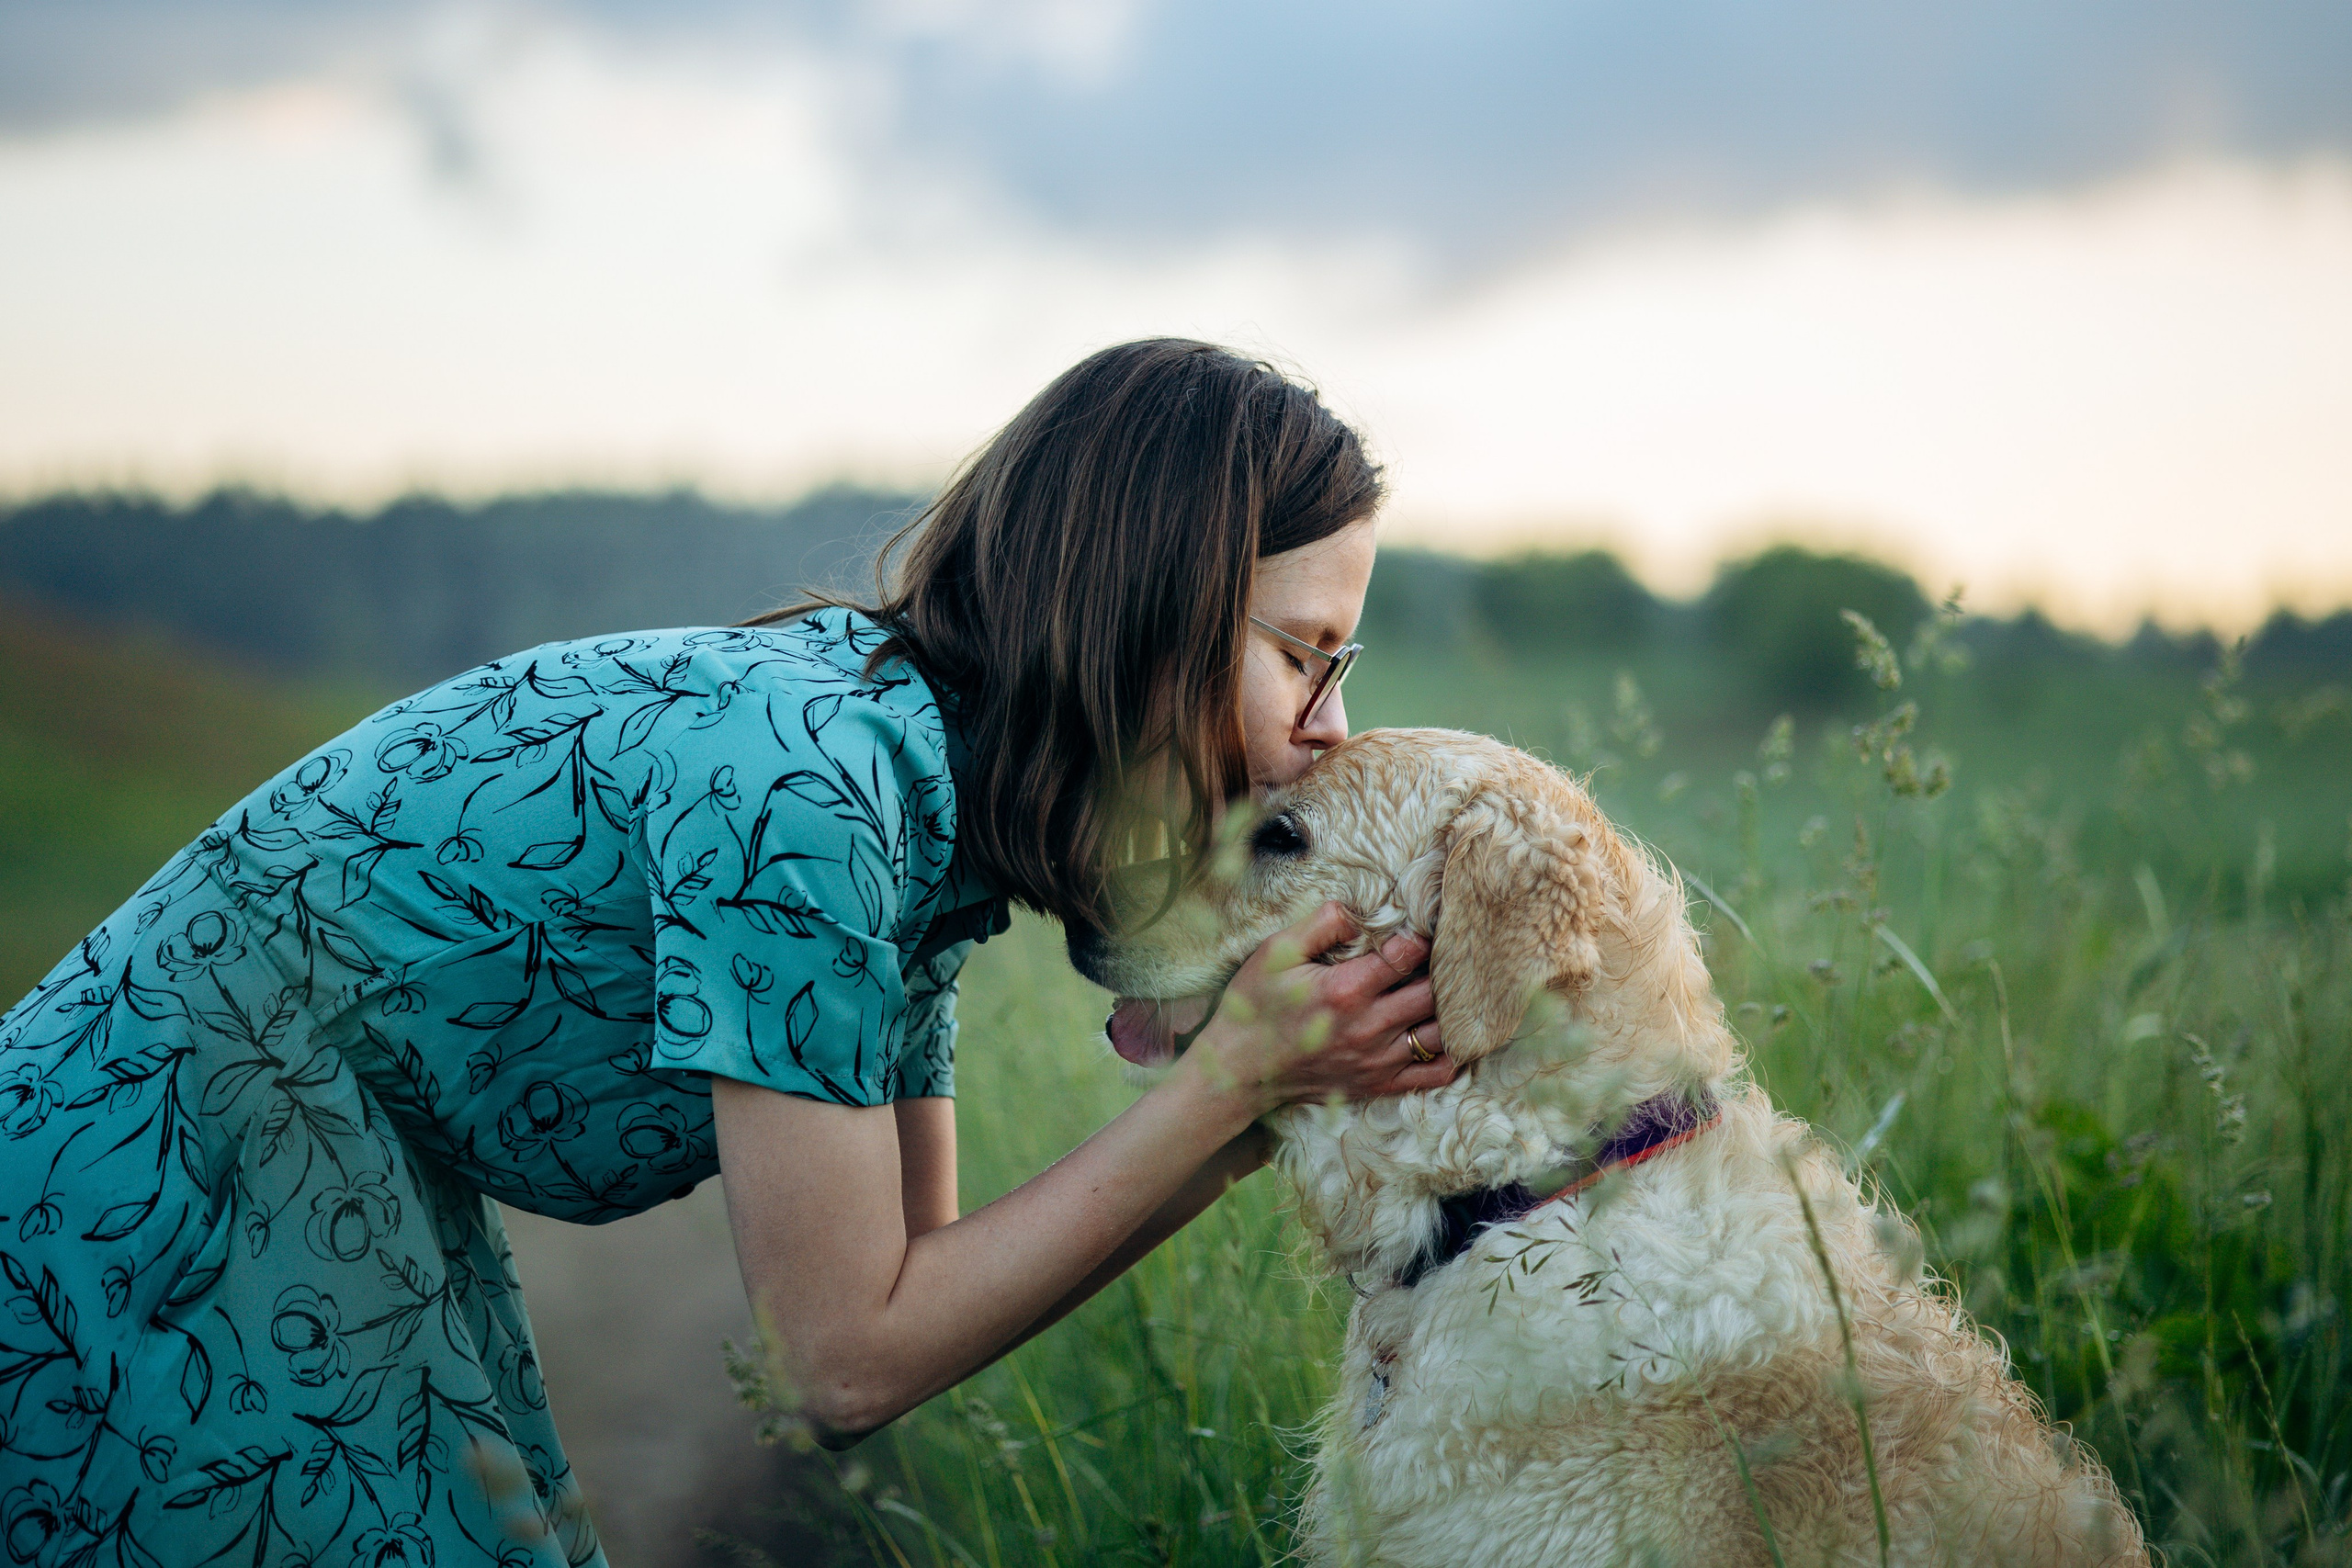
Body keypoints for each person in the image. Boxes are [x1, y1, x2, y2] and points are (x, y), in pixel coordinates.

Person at [0, 339, 1453, 1565]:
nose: (1327, 725)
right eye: (1302, 652)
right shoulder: (809, 790)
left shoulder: (917, 820)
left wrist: (1252, 1096)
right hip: (154, 1178)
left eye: (1344, 668)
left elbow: (908, 1304)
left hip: (291, 1165)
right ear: (1150, 607)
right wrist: (1230, 1093)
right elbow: (839, 1356)